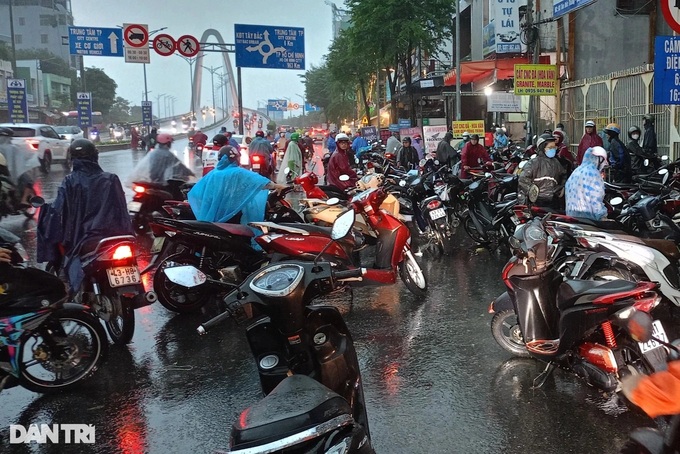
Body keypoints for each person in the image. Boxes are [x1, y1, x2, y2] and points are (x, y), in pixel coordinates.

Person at [36, 139, 134, 292]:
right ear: (95, 156)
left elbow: (57, 209)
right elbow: (122, 210)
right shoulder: (111, 178)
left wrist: (45, 213)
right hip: (116, 235)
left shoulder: (70, 181)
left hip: (85, 238)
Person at [188, 146, 287, 230]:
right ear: (235, 158)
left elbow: (196, 193)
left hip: (212, 216)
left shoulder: (213, 174)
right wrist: (277, 186)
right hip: (231, 214)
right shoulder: (237, 172)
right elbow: (258, 181)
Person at [518, 133, 566, 208]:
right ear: (542, 147)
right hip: (536, 203)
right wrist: (532, 191)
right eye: (550, 147)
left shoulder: (556, 162)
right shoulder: (534, 163)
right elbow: (523, 179)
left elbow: (563, 175)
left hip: (552, 202)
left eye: (554, 147)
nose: (553, 149)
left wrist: (560, 189)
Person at [127, 133, 194, 185]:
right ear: (168, 143)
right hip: (161, 182)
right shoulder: (168, 154)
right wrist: (190, 173)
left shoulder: (153, 153)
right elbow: (180, 166)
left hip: (151, 180)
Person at [565, 146, 609, 220]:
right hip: (587, 220)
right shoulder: (594, 174)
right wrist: (602, 216)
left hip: (571, 216)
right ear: (599, 159)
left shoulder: (577, 170)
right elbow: (596, 198)